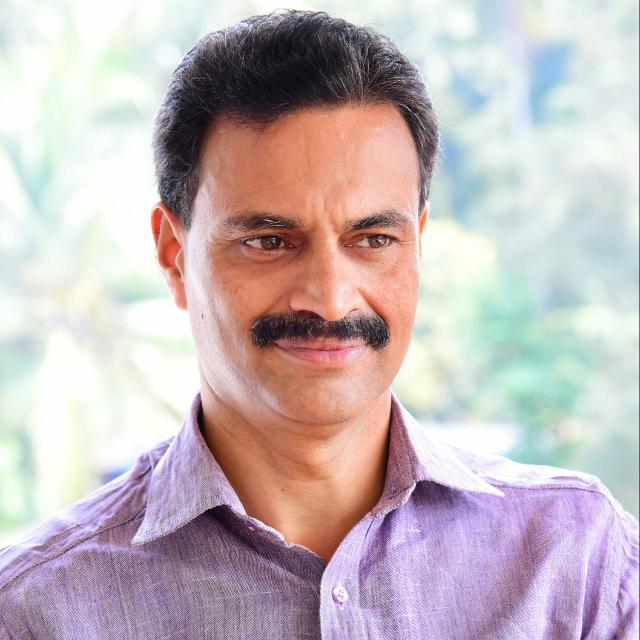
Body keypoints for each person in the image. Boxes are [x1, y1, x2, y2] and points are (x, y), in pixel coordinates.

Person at [0, 10, 637, 639]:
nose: (331, 300)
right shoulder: (36, 611)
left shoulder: (577, 563)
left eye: (373, 239)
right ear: (174, 255)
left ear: (417, 245)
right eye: (269, 241)